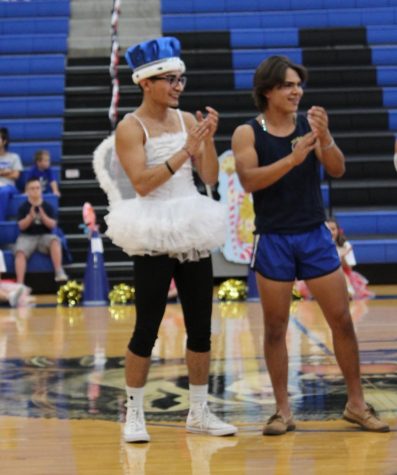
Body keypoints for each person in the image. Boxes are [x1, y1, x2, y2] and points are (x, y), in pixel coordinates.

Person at [232, 55, 389, 435]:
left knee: (342, 321)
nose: (296, 90)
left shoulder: (310, 126)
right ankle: (283, 411)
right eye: (288, 84)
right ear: (268, 90)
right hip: (273, 238)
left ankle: (355, 404)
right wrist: (293, 157)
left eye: (298, 84)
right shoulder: (247, 133)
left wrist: (327, 137)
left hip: (313, 234)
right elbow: (249, 181)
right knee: (274, 327)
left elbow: (337, 168)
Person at [103, 36, 237, 442]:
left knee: (201, 327)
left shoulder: (187, 121)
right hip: (153, 228)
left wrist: (208, 140)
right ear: (146, 82)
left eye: (181, 78)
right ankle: (134, 413)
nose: (179, 86)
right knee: (147, 325)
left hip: (190, 221)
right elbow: (142, 184)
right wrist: (185, 151)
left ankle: (198, 411)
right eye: (169, 79)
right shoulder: (130, 126)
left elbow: (210, 177)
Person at [14, 178, 68, 284]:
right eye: (32, 188)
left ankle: (59, 272)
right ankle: (20, 284)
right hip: (27, 236)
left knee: (55, 240)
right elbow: (21, 227)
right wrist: (30, 217)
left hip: (44, 236)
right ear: (27, 191)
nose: (35, 190)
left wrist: (43, 217)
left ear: (41, 189)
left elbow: (53, 225)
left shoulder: (47, 206)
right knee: (19, 252)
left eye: (37, 188)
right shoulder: (23, 207)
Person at [0, 127, 23, 220]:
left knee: (3, 191)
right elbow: (11, 173)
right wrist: (6, 171)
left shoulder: (14, 157)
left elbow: (16, 175)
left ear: (4, 142)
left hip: (9, 187)